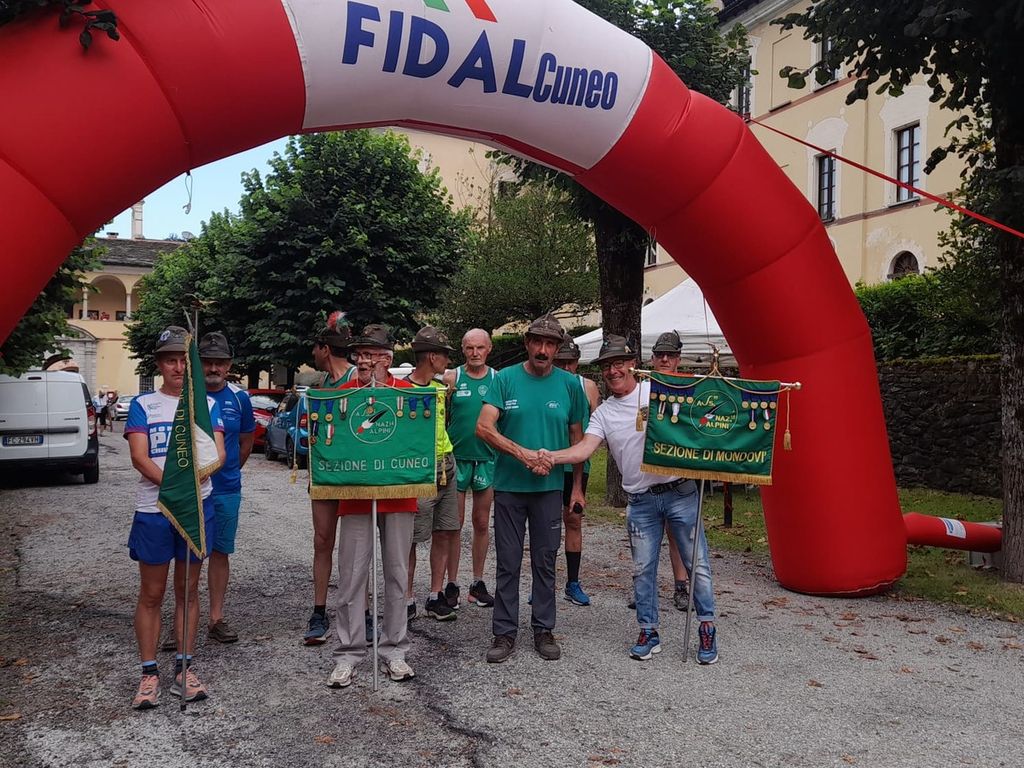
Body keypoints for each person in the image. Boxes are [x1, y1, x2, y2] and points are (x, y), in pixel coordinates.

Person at [541, 334, 720, 664]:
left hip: (680, 491)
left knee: (698, 565)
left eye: (619, 363)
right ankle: (648, 631)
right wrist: (550, 456)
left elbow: (702, 412)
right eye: (607, 366)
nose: (613, 371)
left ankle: (707, 627)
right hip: (640, 501)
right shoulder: (603, 413)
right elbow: (583, 449)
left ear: (633, 365)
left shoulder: (657, 391)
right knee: (642, 570)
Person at [124, 326, 226, 709]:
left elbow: (219, 455)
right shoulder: (143, 404)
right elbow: (139, 457)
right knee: (152, 593)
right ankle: (149, 672)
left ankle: (184, 668)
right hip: (154, 510)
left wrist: (189, 490)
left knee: (188, 590)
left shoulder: (206, 407)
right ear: (159, 365)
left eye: (184, 360)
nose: (178, 367)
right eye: (170, 360)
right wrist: (174, 489)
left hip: (197, 508)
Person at [475, 313, 586, 663]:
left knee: (545, 560)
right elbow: (484, 427)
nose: (543, 350)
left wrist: (577, 488)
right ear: (527, 343)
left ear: (557, 348)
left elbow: (578, 440)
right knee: (508, 561)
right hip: (510, 486)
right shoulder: (505, 379)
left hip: (549, 489)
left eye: (550, 344)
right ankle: (504, 632)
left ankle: (543, 628)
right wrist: (521, 454)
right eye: (537, 342)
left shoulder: (570, 385)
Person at [328, 325, 417, 687]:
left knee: (397, 574)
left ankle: (395, 650)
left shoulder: (409, 395)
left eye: (371, 354)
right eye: (360, 354)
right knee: (351, 577)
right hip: (355, 496)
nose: (363, 361)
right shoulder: (342, 396)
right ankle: (348, 654)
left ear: (388, 360)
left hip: (399, 494)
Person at [198, 331, 255, 644]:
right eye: (207, 362)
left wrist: (229, 468)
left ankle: (216, 618)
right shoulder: (187, 397)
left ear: (229, 364)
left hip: (226, 488)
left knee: (220, 552)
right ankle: (182, 621)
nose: (213, 368)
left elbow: (246, 442)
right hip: (192, 491)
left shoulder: (239, 398)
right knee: (188, 555)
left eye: (219, 362)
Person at [304, 314, 357, 645]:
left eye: (315, 347)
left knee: (356, 545)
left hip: (353, 475)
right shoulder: (321, 384)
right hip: (324, 473)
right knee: (322, 541)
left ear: (325, 348)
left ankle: (361, 610)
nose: (312, 353)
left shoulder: (357, 379)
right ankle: (319, 610)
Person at [404, 326, 459, 621]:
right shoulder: (402, 390)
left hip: (447, 463)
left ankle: (436, 595)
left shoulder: (440, 388)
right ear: (432, 357)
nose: (448, 361)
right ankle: (406, 597)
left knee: (444, 531)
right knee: (411, 537)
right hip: (419, 469)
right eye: (444, 355)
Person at [441, 328, 497, 608]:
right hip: (457, 459)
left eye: (480, 348)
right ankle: (451, 583)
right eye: (470, 348)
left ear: (489, 349)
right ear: (463, 349)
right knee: (454, 524)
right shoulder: (452, 377)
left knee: (482, 523)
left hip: (486, 458)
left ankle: (477, 582)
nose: (475, 353)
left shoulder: (498, 379)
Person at [552, 337, 601, 606]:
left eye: (570, 362)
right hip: (551, 463)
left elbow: (598, 422)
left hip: (578, 464)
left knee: (573, 520)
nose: (566, 368)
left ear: (577, 362)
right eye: (561, 362)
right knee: (546, 523)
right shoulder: (547, 382)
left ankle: (572, 582)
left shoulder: (587, 386)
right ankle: (544, 582)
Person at [649, 330, 691, 611]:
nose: (665, 359)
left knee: (678, 534)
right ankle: (645, 587)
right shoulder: (643, 387)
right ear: (652, 358)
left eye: (670, 355)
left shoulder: (690, 386)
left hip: (679, 472)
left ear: (678, 359)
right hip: (648, 473)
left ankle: (681, 586)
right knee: (646, 535)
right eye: (660, 354)